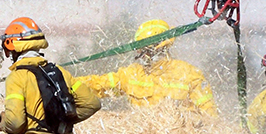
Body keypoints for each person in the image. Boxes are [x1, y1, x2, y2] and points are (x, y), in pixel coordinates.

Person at [75, 19, 217, 116]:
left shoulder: (190, 75)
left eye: (143, 49)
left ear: (159, 47)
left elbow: (209, 116)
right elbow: (99, 84)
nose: (139, 53)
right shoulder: (132, 74)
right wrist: (66, 82)